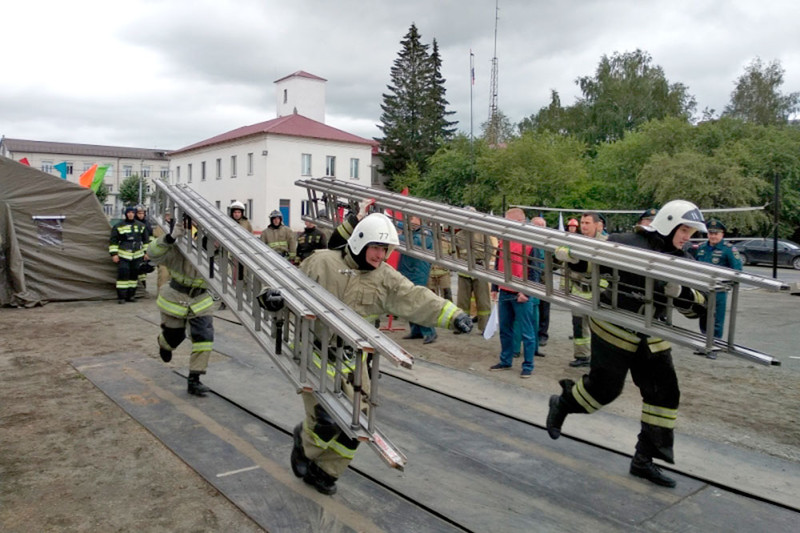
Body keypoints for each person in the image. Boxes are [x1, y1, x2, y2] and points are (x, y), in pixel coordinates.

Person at [266, 213, 473, 495]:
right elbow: (287, 285)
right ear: (360, 241)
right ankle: (304, 445)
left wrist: (454, 315)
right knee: (326, 422)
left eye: (385, 249)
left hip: (353, 362)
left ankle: (325, 471)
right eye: (376, 247)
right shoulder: (322, 262)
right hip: (315, 355)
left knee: (356, 426)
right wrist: (271, 296)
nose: (380, 255)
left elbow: (415, 297)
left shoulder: (385, 277)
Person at [546, 200, 708, 488]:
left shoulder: (686, 261)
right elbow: (592, 262)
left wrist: (681, 291)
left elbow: (697, 307)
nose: (687, 237)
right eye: (684, 229)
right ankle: (563, 404)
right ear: (668, 223)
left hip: (651, 331)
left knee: (664, 395)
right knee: (604, 391)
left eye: (691, 232)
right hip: (614, 326)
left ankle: (643, 461)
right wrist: (566, 258)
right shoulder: (627, 242)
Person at [147, 215, 217, 397]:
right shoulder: (179, 248)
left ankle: (194, 379)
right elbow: (153, 253)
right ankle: (164, 344)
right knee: (175, 336)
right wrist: (170, 238)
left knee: (204, 337)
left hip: (200, 300)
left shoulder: (216, 253)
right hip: (175, 297)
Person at [489, 208, 540, 379]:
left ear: (519, 221)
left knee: (527, 332)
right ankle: (506, 360)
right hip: (505, 292)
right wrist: (495, 287)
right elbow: (498, 264)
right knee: (505, 329)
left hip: (521, 295)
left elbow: (535, 271)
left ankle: (528, 365)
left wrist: (526, 292)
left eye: (508, 220)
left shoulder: (530, 243)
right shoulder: (504, 240)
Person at [558, 212, 608, 367]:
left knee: (600, 329)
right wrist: (563, 287)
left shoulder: (606, 243)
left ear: (597, 224)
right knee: (579, 326)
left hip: (599, 292)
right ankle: (582, 356)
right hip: (578, 290)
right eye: (582, 223)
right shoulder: (574, 241)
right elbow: (562, 260)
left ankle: (600, 359)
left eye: (587, 223)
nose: (584, 226)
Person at [694, 219, 742, 358]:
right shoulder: (702, 248)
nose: (713, 236)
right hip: (702, 288)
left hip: (719, 291)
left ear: (722, 234)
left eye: (716, 233)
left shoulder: (728, 250)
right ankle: (704, 344)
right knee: (703, 316)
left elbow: (737, 270)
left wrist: (728, 285)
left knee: (716, 320)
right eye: (710, 233)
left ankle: (714, 347)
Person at [397, 216, 437, 344]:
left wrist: (397, 236)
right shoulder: (413, 232)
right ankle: (416, 330)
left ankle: (430, 332)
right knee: (409, 302)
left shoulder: (425, 233)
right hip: (408, 270)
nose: (410, 221)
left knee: (419, 303)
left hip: (418, 272)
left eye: (412, 218)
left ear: (420, 220)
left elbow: (414, 243)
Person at [454, 207, 492, 332]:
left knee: (483, 301)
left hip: (479, 269)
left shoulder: (483, 234)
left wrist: (484, 265)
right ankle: (461, 325)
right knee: (462, 301)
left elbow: (489, 250)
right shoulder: (458, 235)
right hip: (463, 270)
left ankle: (484, 327)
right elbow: (455, 252)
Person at [109, 206, 147, 304]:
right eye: (128, 212)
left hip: (137, 255)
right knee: (123, 275)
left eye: (132, 212)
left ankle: (131, 295)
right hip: (123, 254)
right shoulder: (118, 226)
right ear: (125, 214)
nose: (130, 214)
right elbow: (113, 241)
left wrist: (146, 253)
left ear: (134, 214)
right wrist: (114, 254)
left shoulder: (141, 226)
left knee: (134, 276)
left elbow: (146, 240)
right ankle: (121, 297)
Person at [532, 217, 550, 349]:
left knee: (544, 308)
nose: (540, 228)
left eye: (542, 225)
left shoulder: (548, 242)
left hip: (544, 279)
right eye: (537, 225)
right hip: (531, 278)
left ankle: (542, 334)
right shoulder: (528, 240)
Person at [151, 211, 172, 293]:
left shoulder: (176, 226)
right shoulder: (160, 227)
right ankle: (161, 294)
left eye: (170, 215)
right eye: (167, 215)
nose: (169, 217)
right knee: (163, 275)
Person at [135, 205, 154, 289]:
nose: (141, 215)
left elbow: (150, 236)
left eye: (142, 213)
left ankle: (143, 286)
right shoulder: (134, 223)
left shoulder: (147, 224)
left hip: (145, 248)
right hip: (135, 248)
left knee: (143, 269)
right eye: (139, 213)